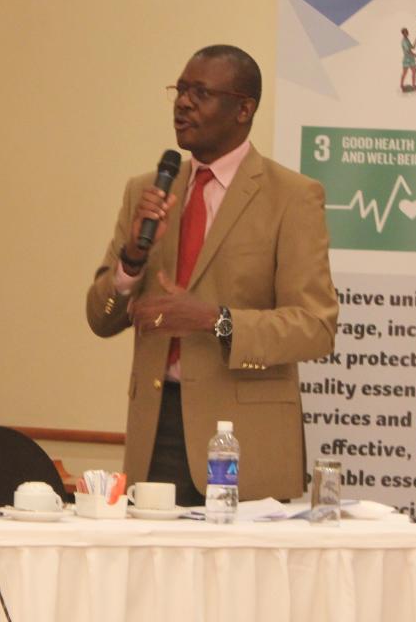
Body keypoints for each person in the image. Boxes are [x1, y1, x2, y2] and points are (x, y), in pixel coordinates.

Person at [85, 44, 338, 505]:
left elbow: (315, 328)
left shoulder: (291, 197)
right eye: (180, 90)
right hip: (155, 432)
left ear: (244, 108)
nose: (183, 103)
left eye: (200, 92)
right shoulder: (146, 191)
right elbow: (102, 317)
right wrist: (131, 262)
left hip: (245, 442)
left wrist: (214, 320)